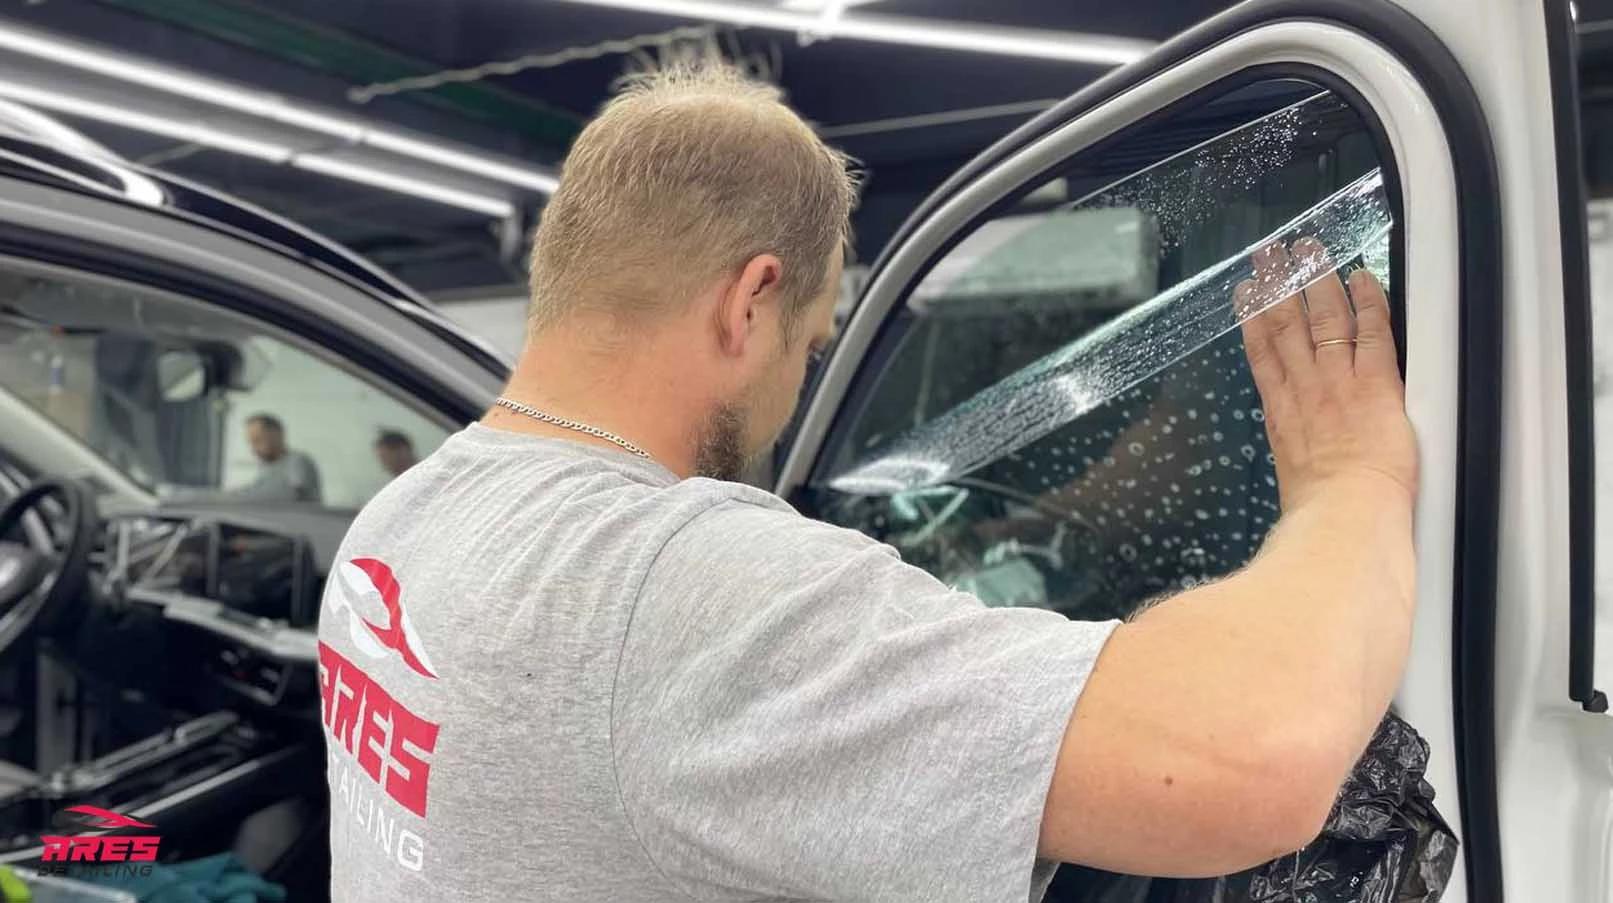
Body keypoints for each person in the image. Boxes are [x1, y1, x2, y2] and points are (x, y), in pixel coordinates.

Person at [318, 64, 1417, 902]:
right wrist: (1349, 475)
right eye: (809, 346)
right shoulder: (669, 582)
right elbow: (1249, 762)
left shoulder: (404, 523)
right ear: (750, 301)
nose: (796, 383)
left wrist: (1075, 505)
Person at [238, 413, 321, 503]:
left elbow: (293, 494)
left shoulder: (297, 461)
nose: (253, 449)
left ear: (277, 434)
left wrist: (246, 495)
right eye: (251, 443)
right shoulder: (266, 467)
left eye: (258, 440)